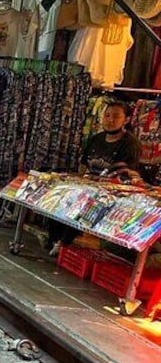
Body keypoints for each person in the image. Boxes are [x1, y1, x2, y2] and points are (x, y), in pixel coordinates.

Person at [48, 101, 142, 254]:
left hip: (111, 193)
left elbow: (125, 176)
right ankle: (54, 239)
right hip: (88, 186)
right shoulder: (96, 139)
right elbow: (84, 165)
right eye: (107, 115)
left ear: (126, 120)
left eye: (116, 116)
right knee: (61, 195)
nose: (110, 120)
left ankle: (64, 243)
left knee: (85, 202)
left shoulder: (130, 144)